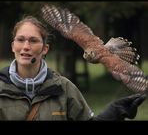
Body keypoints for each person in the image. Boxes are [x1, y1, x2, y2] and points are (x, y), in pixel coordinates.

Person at [0, 15, 146, 121]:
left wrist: (114, 112)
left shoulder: (64, 87)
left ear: (45, 49)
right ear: (13, 46)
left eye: (33, 40)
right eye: (20, 40)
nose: (26, 47)